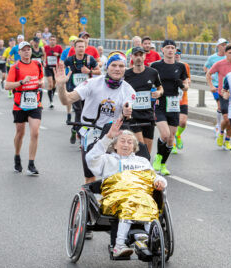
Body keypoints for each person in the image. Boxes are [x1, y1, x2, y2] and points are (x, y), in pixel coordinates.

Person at [85, 119, 167, 256]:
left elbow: (154, 177)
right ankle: (119, 246)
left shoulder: (142, 161)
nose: (126, 144)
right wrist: (108, 137)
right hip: (115, 197)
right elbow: (90, 158)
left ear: (134, 147)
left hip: (140, 196)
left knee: (150, 203)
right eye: (122, 141)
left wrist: (161, 181)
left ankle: (152, 241)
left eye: (130, 142)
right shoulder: (107, 159)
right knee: (130, 202)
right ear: (114, 145)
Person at [55, 51, 134, 184]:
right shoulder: (92, 83)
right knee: (90, 176)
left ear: (125, 69)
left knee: (113, 175)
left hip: (112, 133)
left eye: (121, 66)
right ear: (107, 67)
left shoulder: (128, 90)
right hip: (91, 131)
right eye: (114, 65)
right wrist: (61, 85)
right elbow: (66, 100)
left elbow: (128, 109)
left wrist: (127, 112)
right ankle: (90, 201)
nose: (117, 69)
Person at [5, 41, 45, 176]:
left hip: (35, 103)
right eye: (24, 50)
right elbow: (7, 86)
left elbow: (41, 80)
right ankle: (17, 156)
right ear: (19, 53)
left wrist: (41, 83)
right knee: (20, 133)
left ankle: (31, 164)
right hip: (19, 104)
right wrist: (21, 82)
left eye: (28, 49)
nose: (27, 52)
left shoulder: (37, 64)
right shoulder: (15, 67)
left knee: (35, 132)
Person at [150, 40, 189, 175]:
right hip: (160, 103)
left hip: (173, 104)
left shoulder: (181, 66)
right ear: (163, 50)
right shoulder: (155, 66)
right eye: (168, 48)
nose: (171, 50)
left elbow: (186, 86)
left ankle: (163, 164)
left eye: (173, 48)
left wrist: (182, 85)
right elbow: (149, 81)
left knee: (171, 138)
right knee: (165, 135)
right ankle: (158, 157)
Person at [124, 46, 163, 154]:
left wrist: (158, 93)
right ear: (131, 57)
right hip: (133, 116)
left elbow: (160, 87)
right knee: (140, 147)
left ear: (144, 56)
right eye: (136, 55)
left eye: (141, 55)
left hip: (148, 115)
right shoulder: (126, 75)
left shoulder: (153, 72)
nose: (138, 58)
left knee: (147, 150)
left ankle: (145, 169)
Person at [63, 38, 101, 143]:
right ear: (74, 48)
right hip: (74, 89)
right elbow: (61, 67)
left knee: (87, 113)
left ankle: (76, 129)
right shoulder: (70, 60)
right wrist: (64, 76)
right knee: (79, 111)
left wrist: (89, 71)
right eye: (79, 47)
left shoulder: (90, 59)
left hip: (88, 90)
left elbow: (99, 72)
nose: (81, 49)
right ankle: (79, 133)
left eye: (83, 47)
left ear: (85, 48)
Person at [207, 44, 231, 150]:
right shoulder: (219, 64)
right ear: (225, 53)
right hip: (223, 94)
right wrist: (211, 86)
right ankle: (221, 132)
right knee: (227, 119)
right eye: (230, 53)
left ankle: (227, 140)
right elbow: (208, 74)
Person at [204, 38, 228, 136]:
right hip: (216, 85)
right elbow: (205, 67)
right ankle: (218, 126)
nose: (224, 46)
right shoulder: (212, 58)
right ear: (218, 46)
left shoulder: (228, 57)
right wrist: (209, 73)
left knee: (225, 108)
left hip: (226, 85)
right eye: (222, 45)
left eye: (225, 44)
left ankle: (223, 124)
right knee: (219, 105)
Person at [173, 48, 191, 154]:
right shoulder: (167, 66)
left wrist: (186, 83)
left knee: (183, 122)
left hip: (183, 98)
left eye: (179, 53)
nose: (177, 54)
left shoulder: (185, 66)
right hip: (171, 99)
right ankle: (173, 144)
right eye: (175, 53)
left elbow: (189, 80)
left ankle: (178, 135)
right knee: (174, 122)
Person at [44, 35, 63, 108]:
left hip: (56, 68)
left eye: (54, 39)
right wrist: (44, 62)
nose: (52, 41)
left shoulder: (59, 47)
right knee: (50, 84)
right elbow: (43, 55)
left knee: (54, 85)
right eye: (51, 39)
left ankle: (51, 95)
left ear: (56, 41)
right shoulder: (46, 47)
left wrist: (58, 54)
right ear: (49, 40)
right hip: (48, 67)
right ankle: (50, 101)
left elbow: (62, 56)